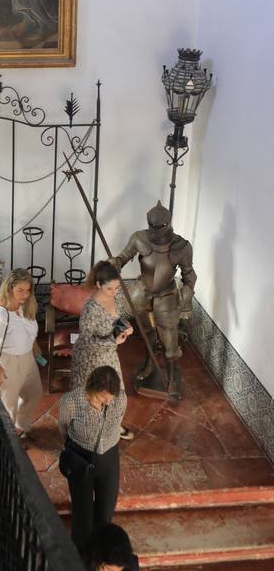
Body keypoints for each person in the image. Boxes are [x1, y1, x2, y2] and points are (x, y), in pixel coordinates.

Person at [110, 200, 196, 395]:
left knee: (169, 339)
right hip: (142, 291)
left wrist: (187, 299)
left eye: (159, 227)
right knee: (146, 332)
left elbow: (189, 276)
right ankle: (149, 363)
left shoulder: (181, 246)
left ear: (168, 224)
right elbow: (123, 257)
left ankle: (172, 376)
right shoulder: (139, 238)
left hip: (166, 295)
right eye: (152, 226)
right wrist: (115, 262)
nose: (155, 230)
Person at [58, 365, 126, 549]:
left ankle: (100, 552)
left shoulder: (120, 399)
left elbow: (119, 419)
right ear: (92, 388)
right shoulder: (71, 401)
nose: (109, 401)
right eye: (104, 397)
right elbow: (63, 428)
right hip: (81, 458)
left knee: (105, 511)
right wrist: (76, 444)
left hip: (109, 459)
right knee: (82, 514)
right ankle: (81, 556)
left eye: (112, 396)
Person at [71, 261, 134, 439]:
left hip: (109, 354)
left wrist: (126, 326)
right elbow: (88, 340)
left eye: (117, 288)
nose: (114, 292)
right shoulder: (90, 309)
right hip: (89, 358)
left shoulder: (117, 298)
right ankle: (87, 432)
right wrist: (114, 341)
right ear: (98, 285)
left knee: (117, 394)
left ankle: (114, 426)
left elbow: (119, 318)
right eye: (109, 289)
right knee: (91, 396)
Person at [0, 268, 43, 442]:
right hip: (9, 363)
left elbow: (29, 334)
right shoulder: (0, 314)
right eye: (20, 290)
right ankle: (9, 444)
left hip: (27, 359)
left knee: (34, 394)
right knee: (9, 407)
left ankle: (21, 426)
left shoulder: (25, 307)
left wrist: (36, 352)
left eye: (28, 290)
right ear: (9, 289)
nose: (25, 295)